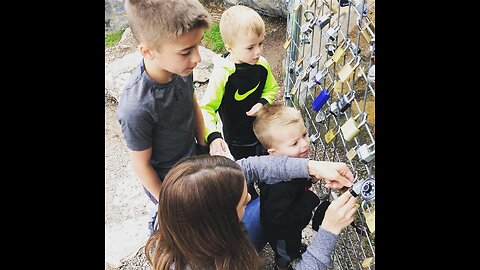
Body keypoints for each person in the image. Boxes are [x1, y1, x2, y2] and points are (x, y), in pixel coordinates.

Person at [145, 155, 358, 270]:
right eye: (242, 203)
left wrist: (313, 167)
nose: (249, 197)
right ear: (222, 224)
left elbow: (251, 168)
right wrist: (329, 230)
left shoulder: (179, 209)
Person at [115, 0, 212, 235]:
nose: (197, 58)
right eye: (187, 51)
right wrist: (166, 204)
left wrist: (203, 145)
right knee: (180, 228)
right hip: (167, 182)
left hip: (192, 159)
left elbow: (192, 103)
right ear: (148, 51)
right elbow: (142, 165)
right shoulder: (137, 106)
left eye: (198, 46)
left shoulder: (181, 69)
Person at [253, 103, 322, 269]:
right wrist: (310, 198)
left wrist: (308, 179)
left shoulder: (291, 160)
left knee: (294, 242)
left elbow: (295, 180)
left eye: (304, 135)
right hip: (281, 233)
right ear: (274, 152)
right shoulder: (278, 187)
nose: (305, 144)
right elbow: (279, 221)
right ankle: (283, 264)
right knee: (286, 251)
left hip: (292, 221)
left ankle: (295, 249)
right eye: (294, 143)